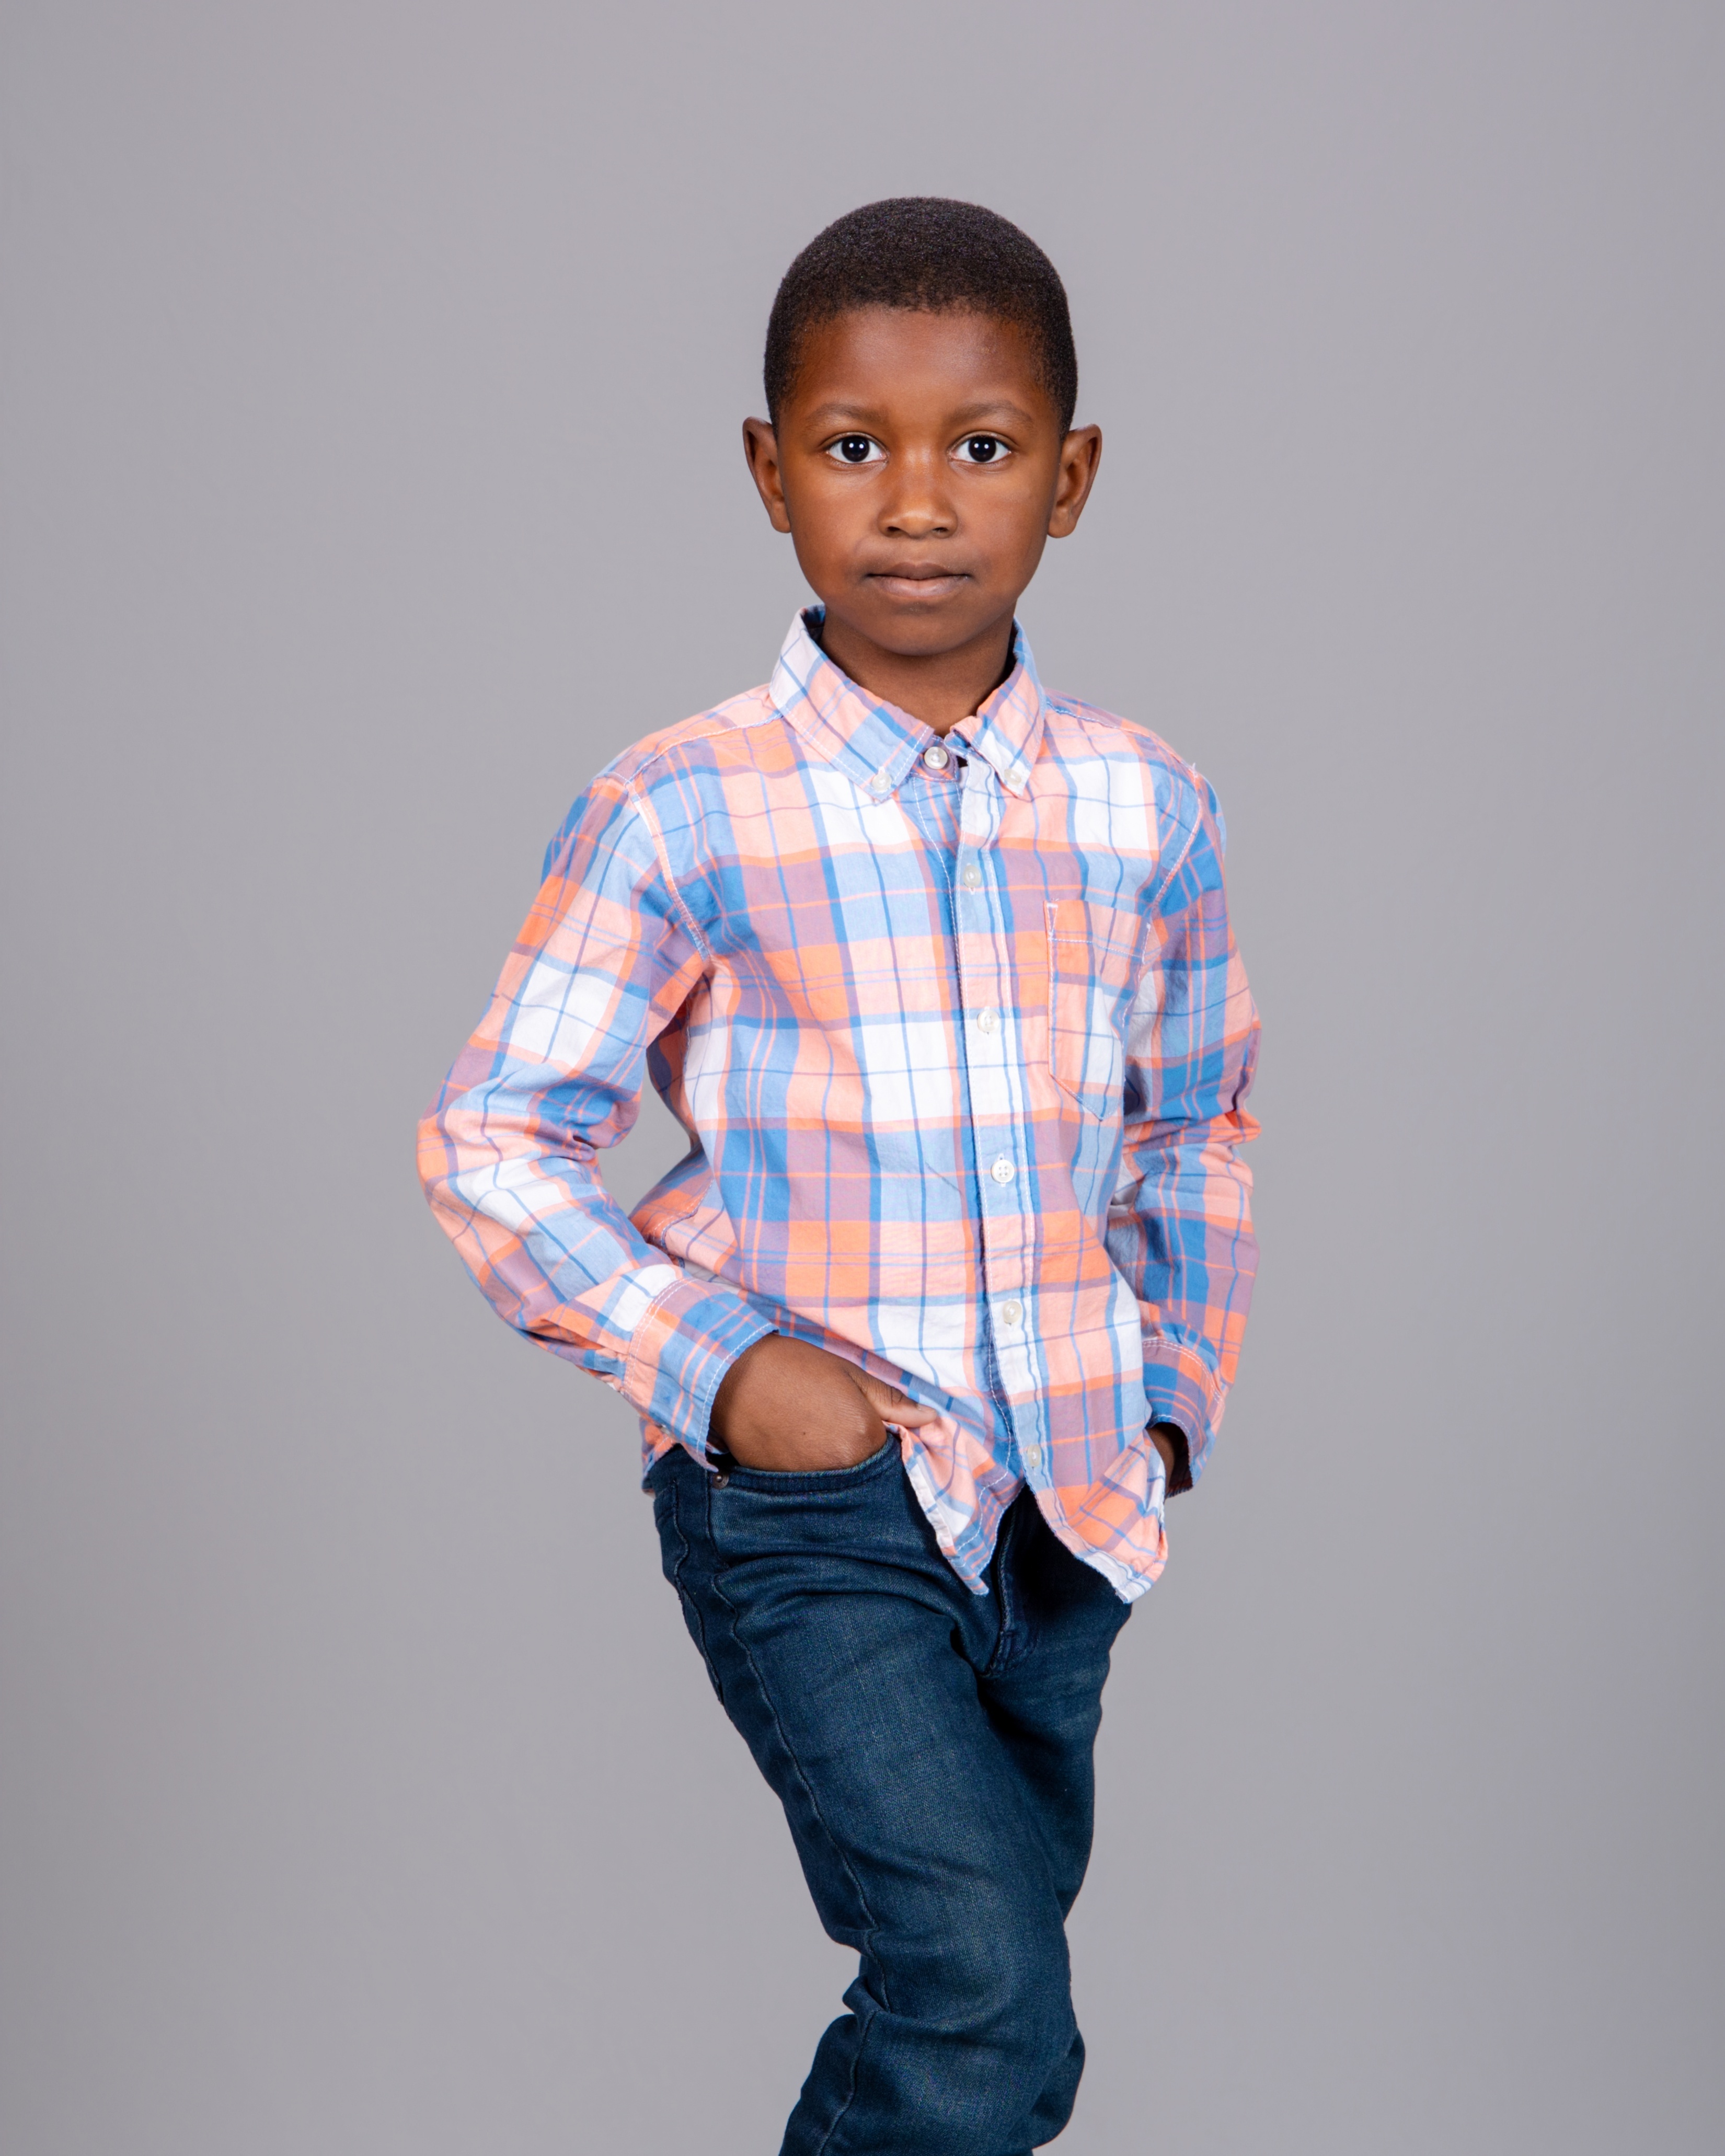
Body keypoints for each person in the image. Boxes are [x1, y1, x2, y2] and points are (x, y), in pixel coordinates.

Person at [418, 195, 1260, 2155]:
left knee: (1005, 2033)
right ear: (768, 471)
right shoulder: (680, 804)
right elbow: (495, 1134)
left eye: (983, 445)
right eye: (854, 445)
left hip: (1066, 1497)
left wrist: (1165, 1407)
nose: (917, 502)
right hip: (813, 1503)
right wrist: (731, 1375)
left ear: (1070, 478)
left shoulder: (1145, 802)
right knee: (972, 1991)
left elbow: (1193, 1122)